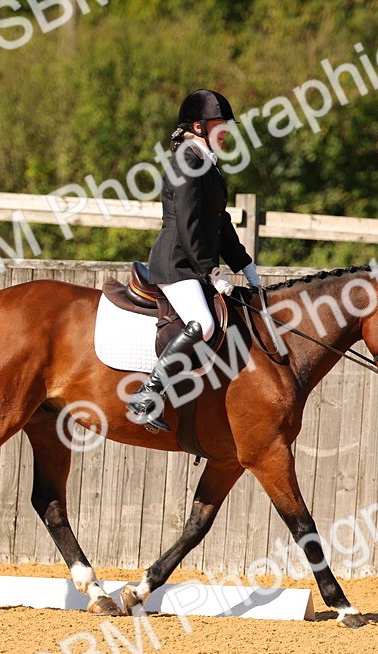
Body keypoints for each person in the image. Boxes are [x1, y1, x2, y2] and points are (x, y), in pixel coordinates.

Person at [126, 89, 262, 432]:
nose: (226, 131)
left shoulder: (204, 162)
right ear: (199, 126)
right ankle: (148, 393)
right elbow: (188, 226)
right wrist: (211, 270)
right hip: (176, 263)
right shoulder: (188, 161)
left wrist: (245, 264)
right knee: (203, 322)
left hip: (192, 263)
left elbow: (219, 221)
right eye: (221, 124)